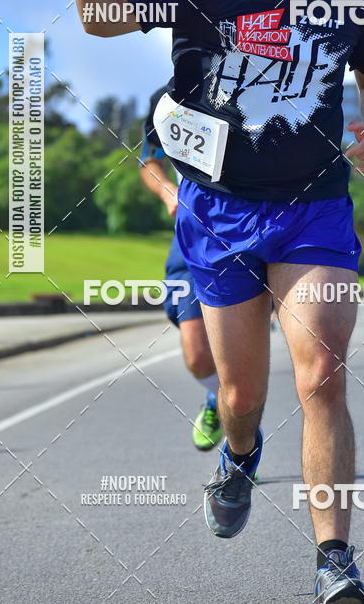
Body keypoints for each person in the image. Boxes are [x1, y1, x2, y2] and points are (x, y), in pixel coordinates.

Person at [71, 0, 364, 603]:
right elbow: (102, 18)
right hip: (217, 212)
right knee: (241, 398)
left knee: (322, 373)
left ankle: (334, 560)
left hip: (314, 207)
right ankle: (238, 457)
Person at [140, 84, 222, 452]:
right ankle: (221, 401)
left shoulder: (254, 79)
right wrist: (167, 192)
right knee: (197, 354)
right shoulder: (168, 97)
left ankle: (241, 443)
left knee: (239, 352)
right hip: (194, 234)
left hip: (258, 231)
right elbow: (151, 160)